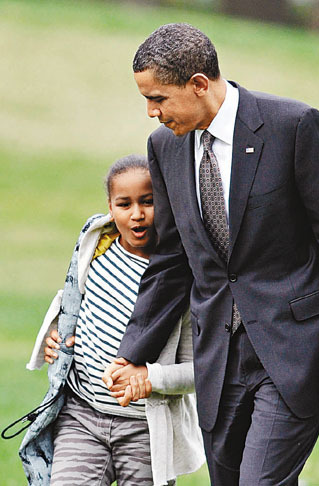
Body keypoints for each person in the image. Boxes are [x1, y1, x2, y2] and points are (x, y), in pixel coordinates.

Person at [103, 23, 319, 486]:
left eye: (159, 98)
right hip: (219, 360)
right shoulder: (163, 148)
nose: (151, 111)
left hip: (293, 352)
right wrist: (133, 352)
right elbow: (172, 261)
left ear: (199, 84)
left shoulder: (294, 126)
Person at [20, 154, 204, 486]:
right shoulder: (96, 248)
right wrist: (53, 333)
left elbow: (202, 371)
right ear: (109, 206)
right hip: (82, 416)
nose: (137, 214)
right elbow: (71, 300)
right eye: (124, 204)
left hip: (145, 431)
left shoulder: (184, 279)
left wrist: (152, 377)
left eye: (149, 202)